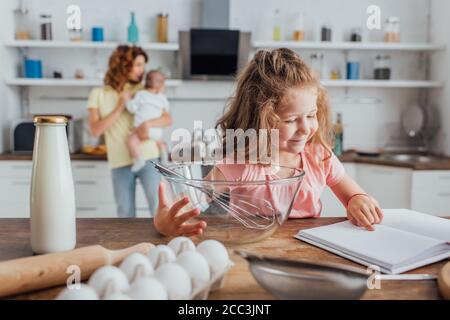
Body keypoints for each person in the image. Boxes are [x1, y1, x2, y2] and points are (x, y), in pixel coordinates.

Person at [153, 48, 383, 236]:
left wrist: (358, 201)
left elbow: (354, 194)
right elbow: (195, 199)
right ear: (260, 121)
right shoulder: (243, 162)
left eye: (311, 115)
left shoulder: (319, 157)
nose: (305, 128)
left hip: (308, 252)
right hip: (251, 248)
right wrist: (166, 222)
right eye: (291, 119)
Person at [87, 45, 172, 217]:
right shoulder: (98, 94)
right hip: (119, 163)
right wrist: (120, 106)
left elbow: (167, 119)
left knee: (159, 209)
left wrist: (148, 125)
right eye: (139, 65)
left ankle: (161, 245)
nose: (143, 70)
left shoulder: (142, 91)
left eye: (143, 65)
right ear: (124, 65)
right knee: (125, 214)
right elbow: (95, 130)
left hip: (148, 157)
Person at [124, 70, 170, 173]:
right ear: (159, 85)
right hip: (157, 132)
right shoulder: (162, 98)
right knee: (161, 142)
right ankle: (165, 160)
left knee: (131, 141)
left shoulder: (141, 95)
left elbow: (131, 108)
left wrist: (127, 99)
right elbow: (166, 109)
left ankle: (139, 159)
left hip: (140, 130)